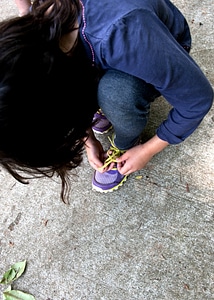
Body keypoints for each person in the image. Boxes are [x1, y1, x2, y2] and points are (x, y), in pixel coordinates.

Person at [0, 0, 213, 202]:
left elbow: (197, 100)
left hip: (162, 44)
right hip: (112, 47)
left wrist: (148, 150)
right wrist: (86, 138)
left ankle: (127, 143)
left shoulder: (126, 35)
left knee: (115, 94)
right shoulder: (35, 33)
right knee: (108, 92)